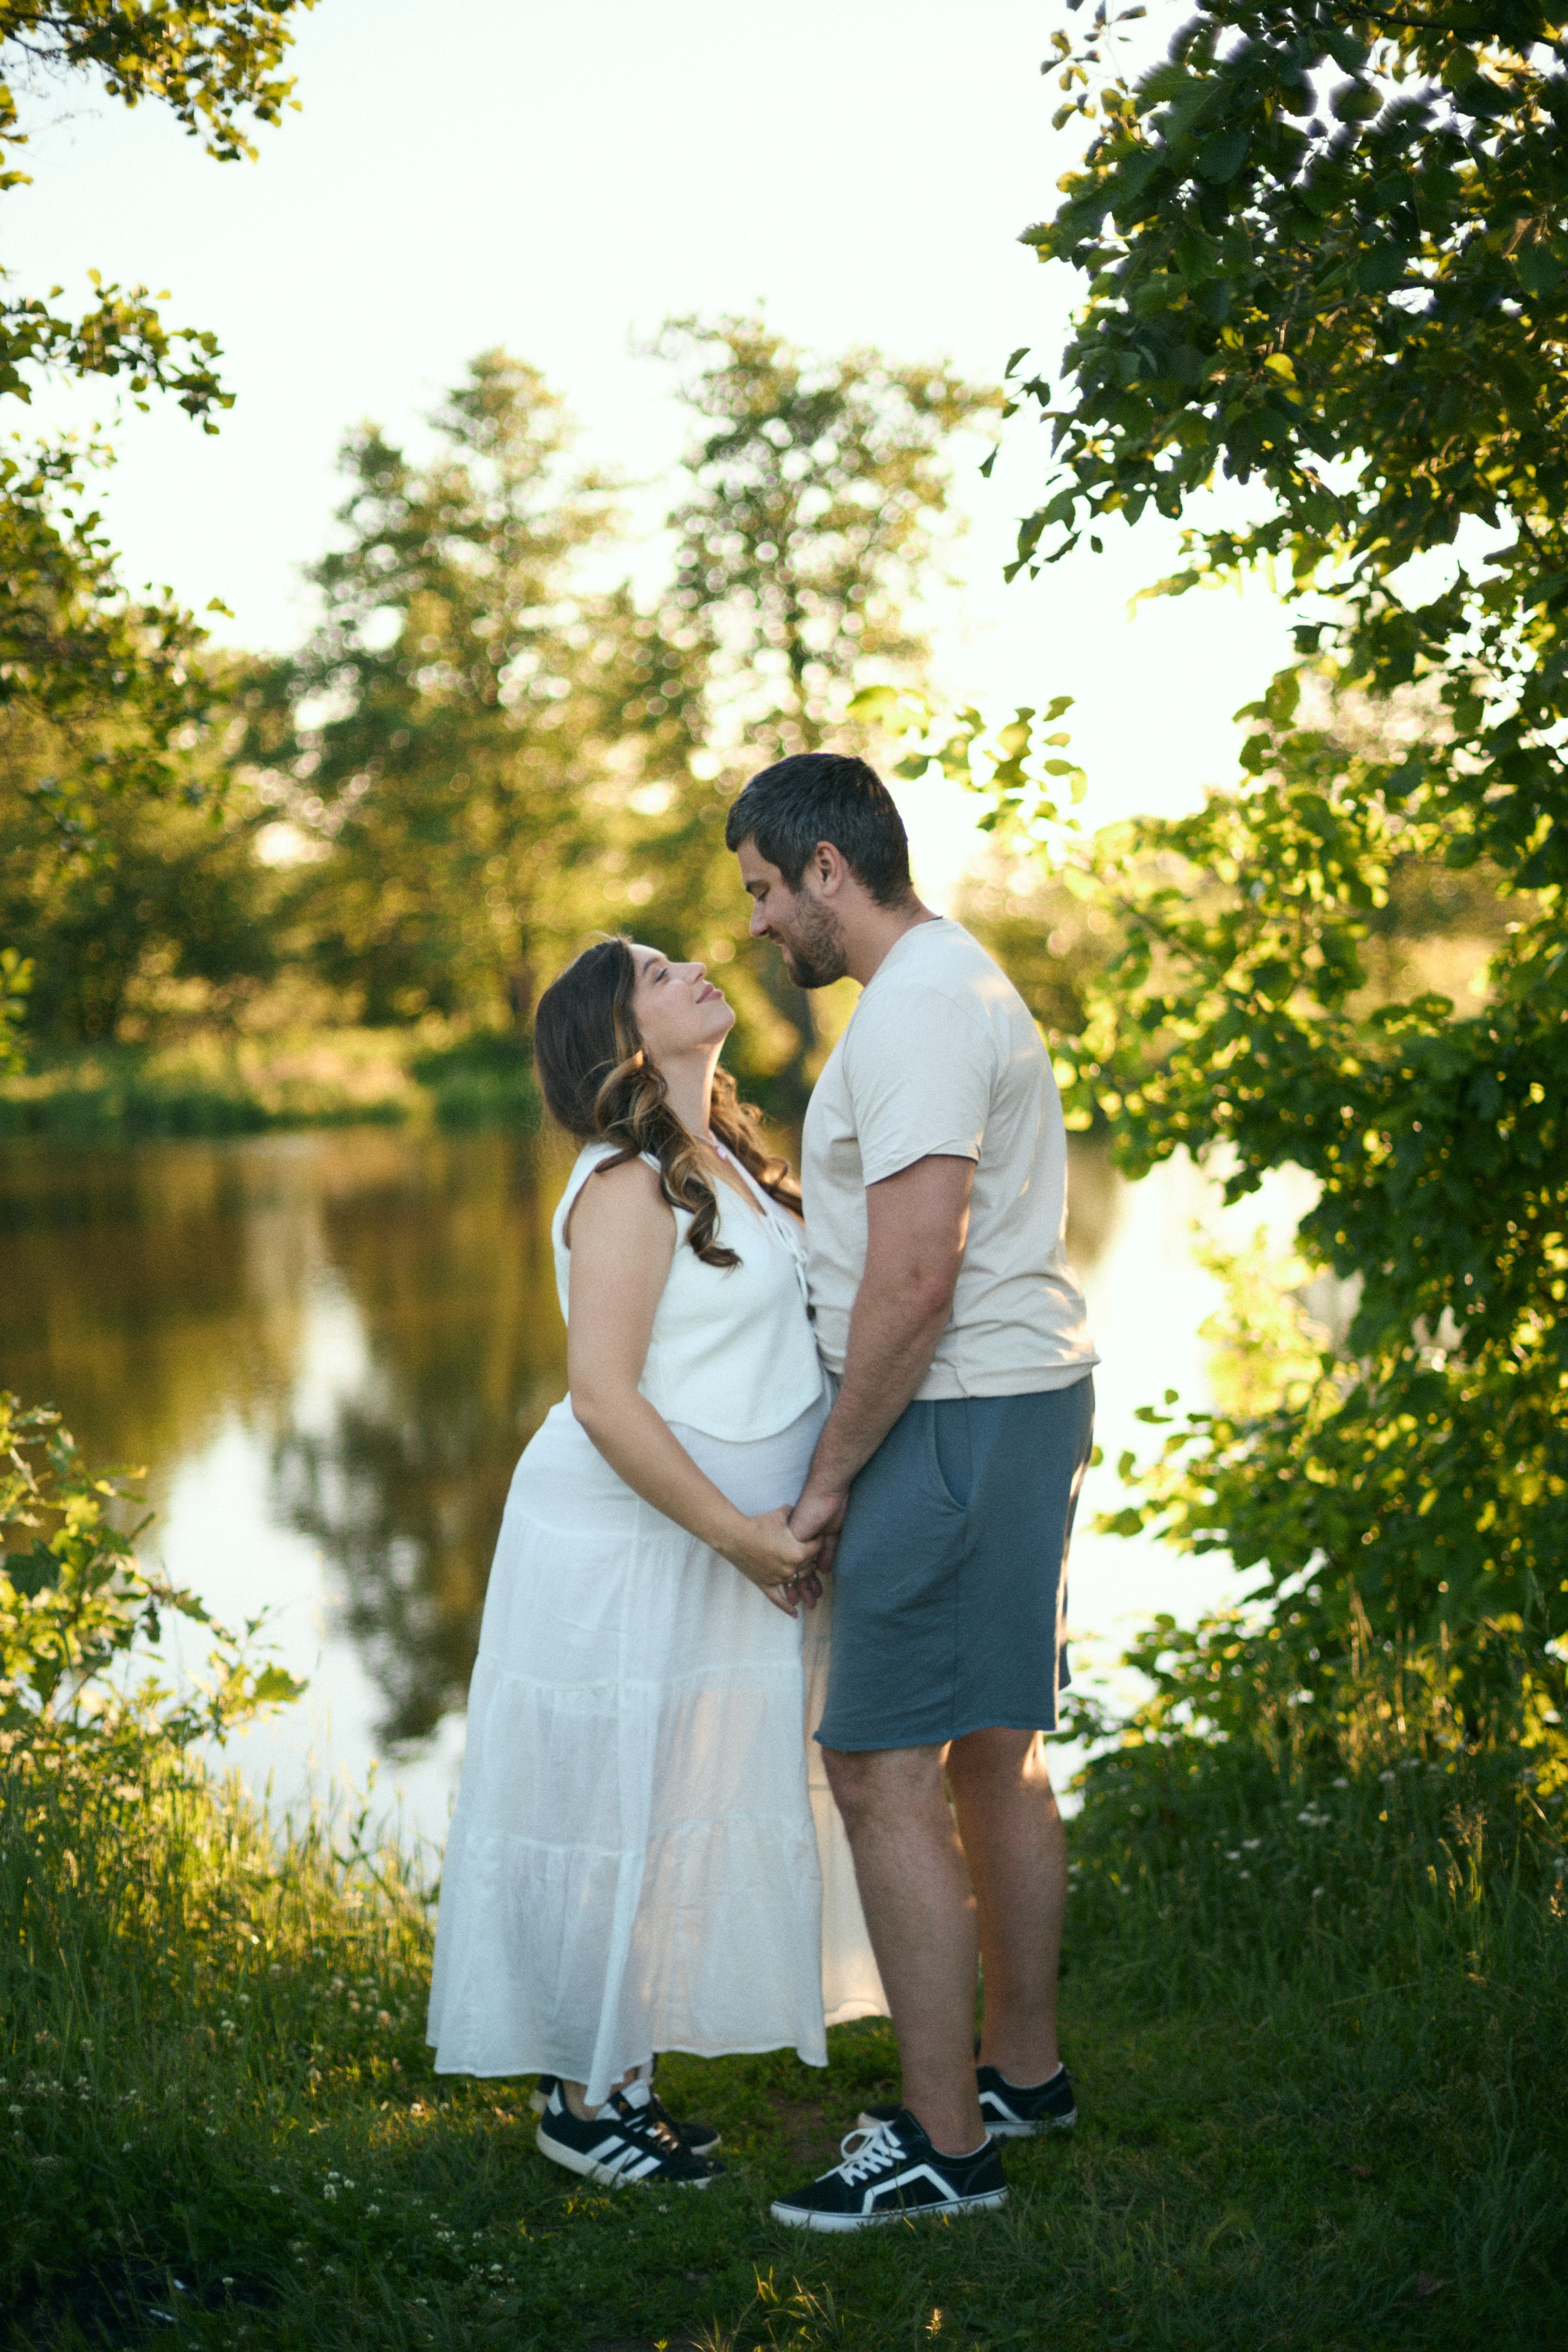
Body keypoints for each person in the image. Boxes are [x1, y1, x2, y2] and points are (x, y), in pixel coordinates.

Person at [425, 935, 883, 2190]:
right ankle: (581, 2101)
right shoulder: (625, 1183)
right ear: (618, 1036)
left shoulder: (724, 1158)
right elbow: (604, 1401)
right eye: (655, 970)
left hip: (714, 1545)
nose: (693, 966)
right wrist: (742, 1537)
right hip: (630, 1539)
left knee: (674, 1797)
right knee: (606, 1803)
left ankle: (622, 2078)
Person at [726, 751, 1099, 2231]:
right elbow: (899, 1237)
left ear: (828, 867)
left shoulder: (921, 1011)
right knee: (988, 1748)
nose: (757, 924)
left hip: (950, 1419)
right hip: (1009, 1401)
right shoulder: (948, 986)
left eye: (761, 887)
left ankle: (946, 2146)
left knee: (876, 1766)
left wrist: (824, 1487)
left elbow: (917, 1273)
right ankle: (1021, 2074)